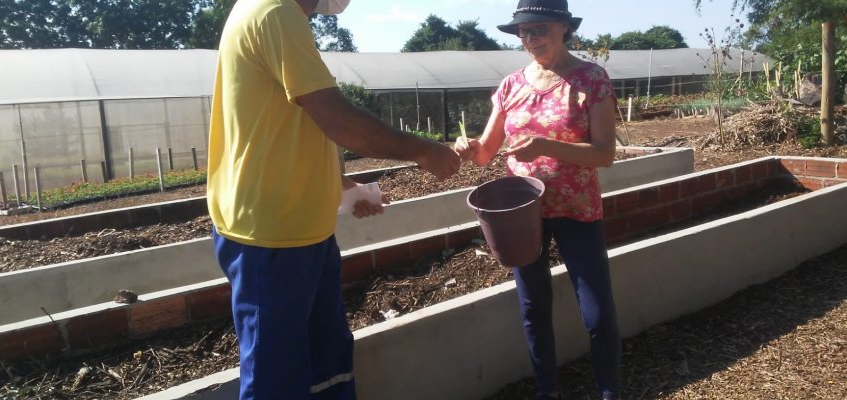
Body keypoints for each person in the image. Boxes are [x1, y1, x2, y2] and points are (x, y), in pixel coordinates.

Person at [206, 0, 461, 398]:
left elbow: (289, 128)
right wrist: (424, 150)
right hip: (271, 238)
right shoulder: (275, 13)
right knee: (277, 377)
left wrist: (343, 188)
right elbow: (338, 119)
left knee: (325, 364)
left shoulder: (275, 14)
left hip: (300, 232)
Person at [454, 0, 621, 399]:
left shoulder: (590, 78)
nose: (530, 39)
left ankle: (610, 391)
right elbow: (485, 153)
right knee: (533, 308)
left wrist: (548, 145)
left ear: (564, 27)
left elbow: (604, 155)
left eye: (539, 29)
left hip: (577, 210)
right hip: (523, 215)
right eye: (524, 32)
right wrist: (467, 146)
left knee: (597, 312)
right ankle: (548, 391)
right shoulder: (512, 85)